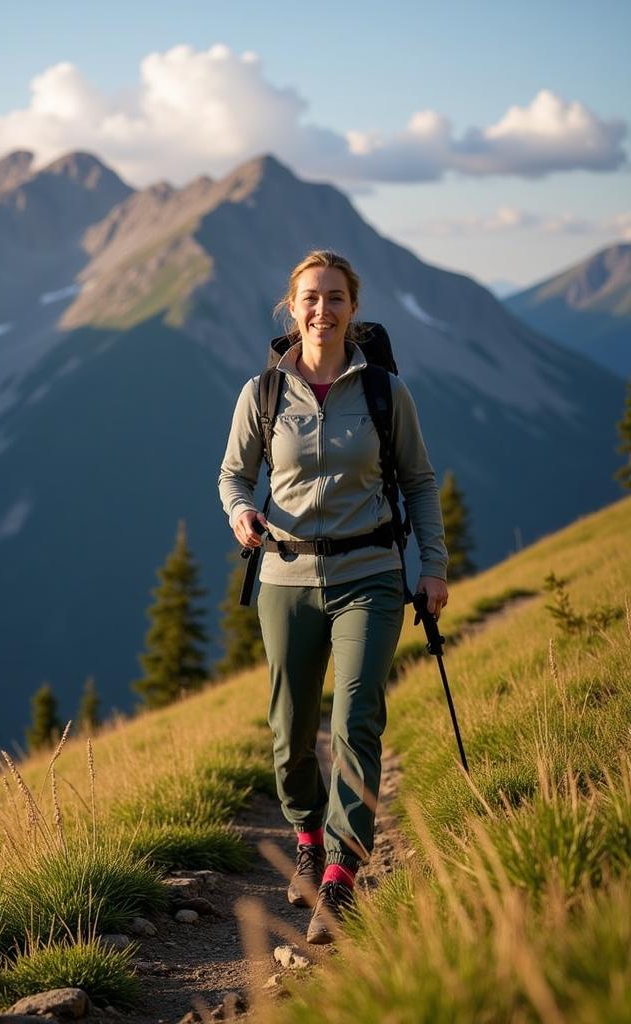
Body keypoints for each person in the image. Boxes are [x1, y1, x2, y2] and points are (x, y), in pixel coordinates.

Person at [217, 250, 448, 944]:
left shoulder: (384, 392)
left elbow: (420, 483)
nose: (322, 310)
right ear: (292, 309)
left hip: (371, 575)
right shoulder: (262, 393)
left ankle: (344, 873)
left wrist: (431, 566)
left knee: (356, 719)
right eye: (310, 299)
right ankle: (308, 836)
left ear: (354, 307)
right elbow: (233, 474)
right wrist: (240, 513)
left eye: (336, 298)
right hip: (284, 581)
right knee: (290, 734)